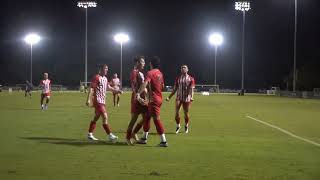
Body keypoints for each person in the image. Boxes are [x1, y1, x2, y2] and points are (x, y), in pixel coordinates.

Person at [136, 56, 168, 147]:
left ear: (151, 64)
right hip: (158, 98)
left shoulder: (150, 73)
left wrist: (138, 93)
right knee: (147, 118)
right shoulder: (160, 73)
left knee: (156, 120)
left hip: (153, 100)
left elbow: (145, 83)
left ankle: (164, 141)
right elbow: (162, 86)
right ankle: (144, 138)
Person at [86, 64, 122, 142]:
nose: (107, 70)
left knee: (96, 117)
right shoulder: (96, 77)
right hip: (98, 101)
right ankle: (110, 135)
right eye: (105, 68)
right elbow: (91, 88)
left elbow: (109, 88)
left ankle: (90, 134)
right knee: (105, 117)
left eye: (107, 69)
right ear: (100, 69)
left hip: (103, 101)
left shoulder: (105, 78)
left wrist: (117, 90)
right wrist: (88, 99)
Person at [126, 56, 149, 145]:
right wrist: (138, 97)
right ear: (137, 63)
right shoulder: (134, 72)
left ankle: (134, 133)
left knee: (146, 118)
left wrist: (146, 97)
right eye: (142, 62)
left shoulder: (141, 73)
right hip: (137, 99)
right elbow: (133, 85)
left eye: (144, 62)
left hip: (143, 98)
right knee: (134, 119)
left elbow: (144, 87)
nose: (144, 63)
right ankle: (128, 138)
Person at [166, 65, 195, 134]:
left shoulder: (191, 79)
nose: (183, 69)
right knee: (176, 114)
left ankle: (186, 125)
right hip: (179, 98)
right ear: (181, 70)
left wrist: (191, 97)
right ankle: (178, 125)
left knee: (186, 114)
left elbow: (191, 89)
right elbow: (175, 89)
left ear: (187, 70)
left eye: (184, 68)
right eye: (182, 68)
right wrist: (169, 97)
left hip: (187, 98)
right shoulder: (178, 78)